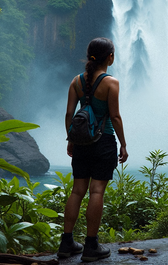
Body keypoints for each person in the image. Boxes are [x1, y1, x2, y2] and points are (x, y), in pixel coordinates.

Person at [58, 37, 128, 262]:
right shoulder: (111, 83)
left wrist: (71, 138)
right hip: (103, 141)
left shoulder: (76, 81)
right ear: (110, 57)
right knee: (96, 191)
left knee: (77, 190)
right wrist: (124, 144)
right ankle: (91, 246)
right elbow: (115, 116)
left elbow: (69, 114)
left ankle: (66, 242)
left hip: (81, 142)